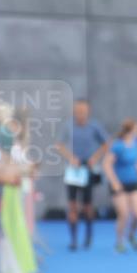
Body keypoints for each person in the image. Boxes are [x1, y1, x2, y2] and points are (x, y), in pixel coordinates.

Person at [55, 99, 110, 251]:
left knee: (87, 206)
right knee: (72, 205)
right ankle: (73, 239)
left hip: (88, 169)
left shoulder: (94, 126)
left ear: (88, 111)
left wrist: (95, 158)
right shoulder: (68, 126)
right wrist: (70, 158)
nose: (81, 114)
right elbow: (59, 145)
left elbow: (106, 143)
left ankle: (88, 235)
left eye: (83, 111)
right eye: (78, 111)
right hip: (73, 170)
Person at [103, 118, 137, 253]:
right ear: (131, 129)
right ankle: (119, 242)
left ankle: (131, 235)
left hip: (133, 183)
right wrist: (114, 182)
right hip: (119, 185)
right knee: (124, 214)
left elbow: (135, 161)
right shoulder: (118, 146)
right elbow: (107, 165)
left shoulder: (135, 143)